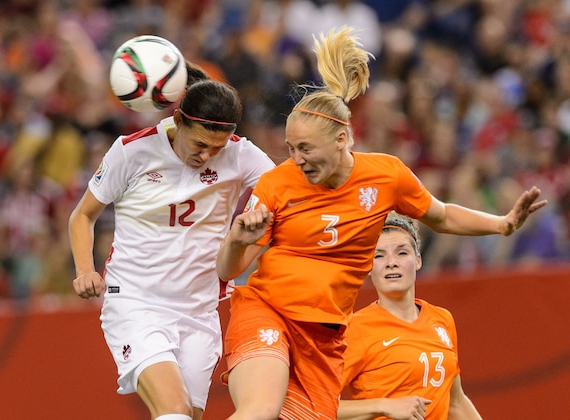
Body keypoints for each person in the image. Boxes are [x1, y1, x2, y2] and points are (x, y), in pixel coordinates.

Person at [215, 26, 547, 419]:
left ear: (342, 139)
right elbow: (228, 269)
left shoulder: (387, 176)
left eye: (305, 148)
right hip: (267, 311)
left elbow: (440, 215)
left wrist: (502, 224)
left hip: (324, 338)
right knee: (262, 410)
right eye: (290, 148)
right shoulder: (277, 183)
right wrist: (238, 240)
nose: (296, 159)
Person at [68, 70, 276, 419]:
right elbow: (82, 216)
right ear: (177, 120)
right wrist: (84, 270)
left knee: (184, 416)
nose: (206, 156)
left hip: (200, 309)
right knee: (174, 410)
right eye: (199, 145)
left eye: (216, 148)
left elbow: (287, 193)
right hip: (137, 302)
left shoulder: (241, 155)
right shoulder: (131, 151)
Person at [338, 212, 482, 420]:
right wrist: (383, 406)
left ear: (418, 260)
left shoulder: (442, 319)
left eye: (401, 253)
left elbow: (455, 402)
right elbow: (313, 407)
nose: (391, 262)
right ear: (369, 267)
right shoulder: (355, 329)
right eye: (379, 255)